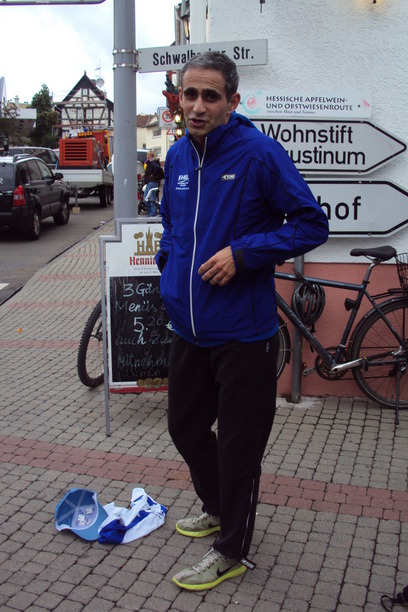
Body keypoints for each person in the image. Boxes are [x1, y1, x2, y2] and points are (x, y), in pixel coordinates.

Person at [155, 51, 329, 592]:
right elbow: (171, 225)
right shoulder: (177, 156)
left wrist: (244, 253)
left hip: (244, 335)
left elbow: (311, 224)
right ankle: (217, 507)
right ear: (179, 99)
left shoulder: (259, 154)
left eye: (210, 96)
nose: (198, 106)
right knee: (184, 429)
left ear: (232, 100)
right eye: (190, 94)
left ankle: (231, 550)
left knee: (238, 450)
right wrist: (169, 270)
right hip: (189, 329)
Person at [142, 150, 164, 217]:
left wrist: (153, 175)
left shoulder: (152, 162)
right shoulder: (149, 163)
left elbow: (158, 168)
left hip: (152, 182)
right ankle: (150, 213)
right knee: (146, 199)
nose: (147, 156)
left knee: (151, 198)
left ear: (152, 156)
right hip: (149, 182)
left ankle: (152, 214)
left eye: (149, 155)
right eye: (147, 155)